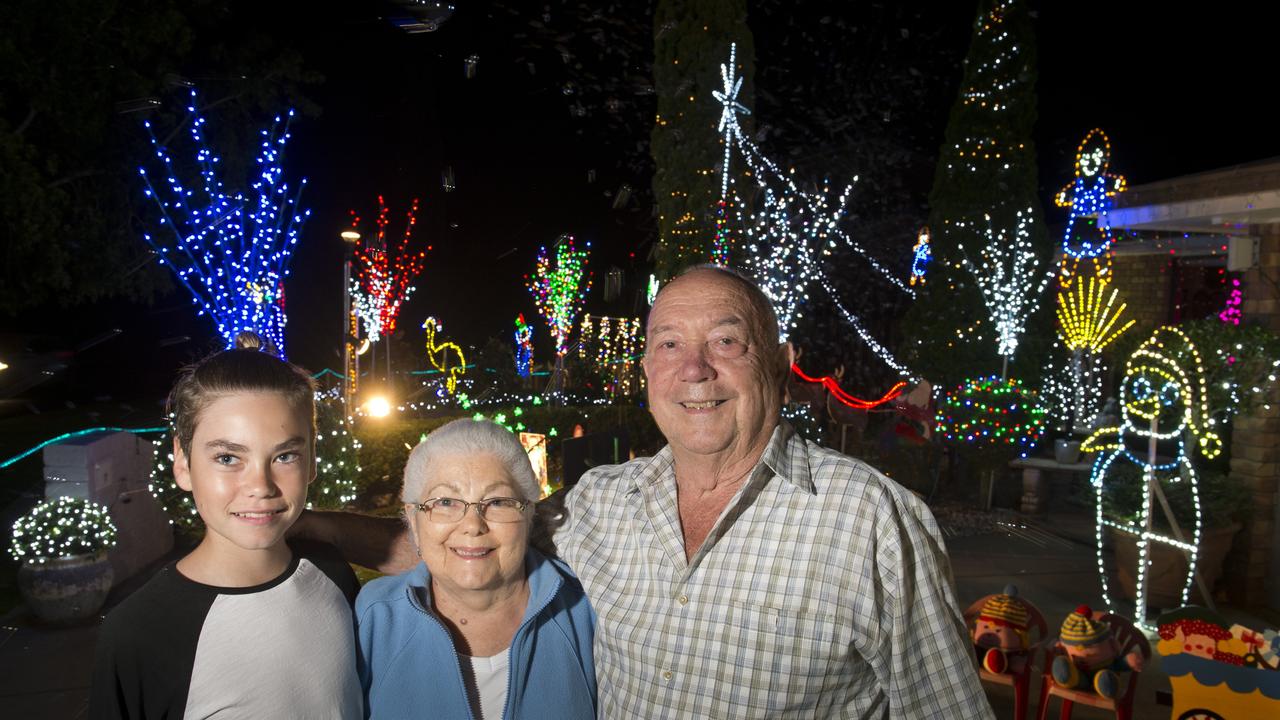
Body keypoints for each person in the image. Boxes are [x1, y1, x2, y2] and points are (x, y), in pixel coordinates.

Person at [306, 266, 994, 717]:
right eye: (668, 345)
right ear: (645, 371)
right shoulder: (601, 501)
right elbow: (469, 546)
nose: (694, 368)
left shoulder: (869, 520)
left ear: (782, 369)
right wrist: (313, 528)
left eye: (727, 341)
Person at [90, 333, 361, 720]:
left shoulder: (332, 571)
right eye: (228, 457)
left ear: (312, 460)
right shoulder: (138, 631)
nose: (260, 487)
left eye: (285, 455)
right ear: (182, 463)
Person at [355, 418, 595, 719]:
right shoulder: (370, 618)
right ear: (413, 520)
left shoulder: (588, 610)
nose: (472, 526)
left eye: (497, 502)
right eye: (445, 501)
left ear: (530, 513)